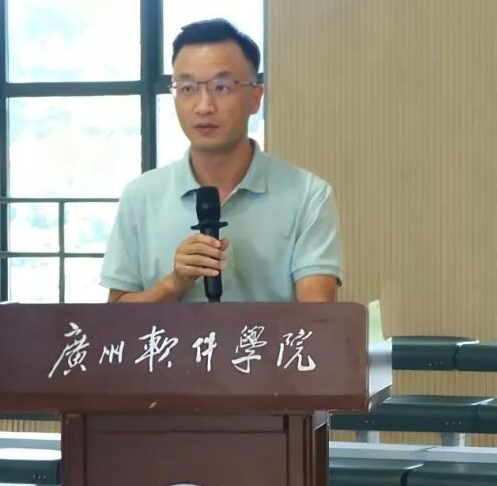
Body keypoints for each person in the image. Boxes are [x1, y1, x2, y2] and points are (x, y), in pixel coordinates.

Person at [100, 18, 342, 303]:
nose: (204, 106)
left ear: (255, 98)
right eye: (187, 88)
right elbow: (115, 318)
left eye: (222, 87)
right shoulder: (140, 197)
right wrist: (174, 283)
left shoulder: (308, 195)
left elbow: (318, 318)